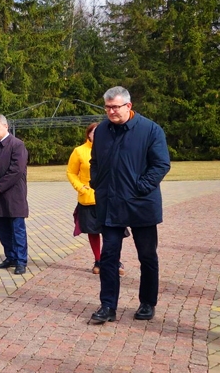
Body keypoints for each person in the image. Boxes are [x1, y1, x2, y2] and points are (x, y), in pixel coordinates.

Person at [89, 86, 170, 324]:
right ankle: (108, 305)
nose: (112, 112)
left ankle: (147, 302)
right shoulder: (102, 130)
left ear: (128, 106)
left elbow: (161, 165)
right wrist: (97, 183)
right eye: (108, 107)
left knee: (147, 255)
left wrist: (139, 188)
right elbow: (95, 161)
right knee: (109, 256)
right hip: (110, 204)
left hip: (140, 204)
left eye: (116, 107)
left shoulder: (150, 130)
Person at [66, 123, 123, 277]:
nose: (97, 135)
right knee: (93, 231)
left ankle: (114, 260)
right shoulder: (79, 151)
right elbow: (71, 172)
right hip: (88, 198)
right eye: (94, 133)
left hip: (111, 197)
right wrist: (80, 187)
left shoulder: (112, 148)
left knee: (112, 231)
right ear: (88, 134)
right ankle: (98, 261)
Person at [0, 114, 30, 275]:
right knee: (2, 230)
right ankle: (10, 257)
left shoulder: (17, 145)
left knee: (17, 230)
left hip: (13, 196)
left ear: (6, 127)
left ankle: (21, 261)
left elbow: (16, 170)